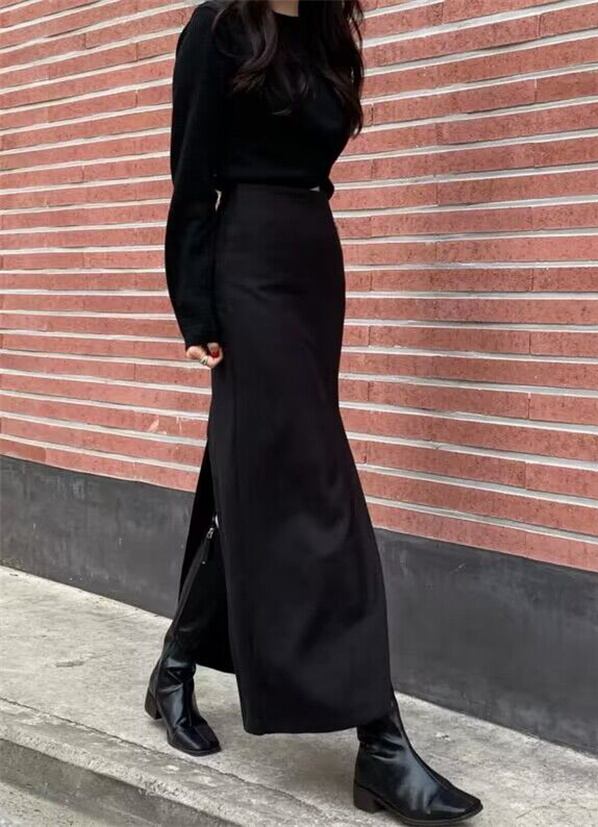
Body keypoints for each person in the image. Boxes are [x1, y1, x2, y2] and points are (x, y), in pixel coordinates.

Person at [145, 1, 483, 824]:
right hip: (247, 271)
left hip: (311, 263)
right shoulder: (218, 28)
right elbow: (191, 177)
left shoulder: (327, 35)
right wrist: (195, 308)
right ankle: (381, 740)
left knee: (254, 475)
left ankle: (175, 664)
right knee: (316, 480)